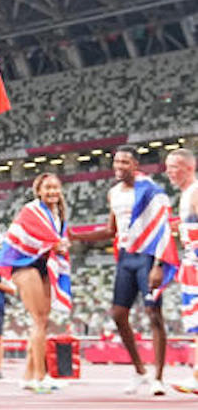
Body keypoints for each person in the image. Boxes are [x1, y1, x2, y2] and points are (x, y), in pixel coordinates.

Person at [74, 146, 170, 396]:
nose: (119, 166)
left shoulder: (150, 190)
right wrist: (77, 236)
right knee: (118, 313)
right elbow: (110, 230)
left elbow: (164, 228)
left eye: (125, 162)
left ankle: (158, 377)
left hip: (148, 255)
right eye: (117, 161)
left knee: (153, 314)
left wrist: (159, 264)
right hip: (126, 256)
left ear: (135, 165)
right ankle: (140, 371)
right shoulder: (113, 193)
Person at [0, 173, 71, 392]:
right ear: (38, 191)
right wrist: (54, 243)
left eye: (55, 187)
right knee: (38, 320)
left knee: (42, 321)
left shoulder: (58, 215)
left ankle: (29, 377)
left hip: (44, 265)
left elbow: (54, 241)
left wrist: (60, 245)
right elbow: (26, 236)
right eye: (47, 188)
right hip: (23, 264)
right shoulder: (31, 211)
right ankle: (41, 376)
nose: (52, 192)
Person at [165, 148, 198, 393]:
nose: (168, 172)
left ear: (189, 167)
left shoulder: (195, 192)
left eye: (174, 167)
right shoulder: (187, 194)